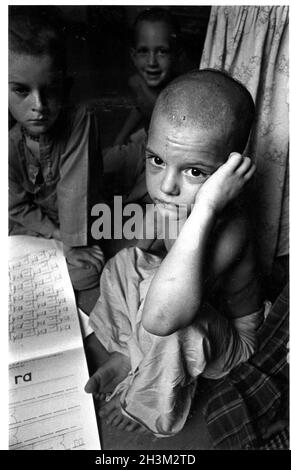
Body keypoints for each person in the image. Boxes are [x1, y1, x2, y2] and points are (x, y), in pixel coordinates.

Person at [85, 69, 266, 437]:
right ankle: (127, 354)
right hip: (175, 299)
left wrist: (206, 208)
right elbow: (134, 253)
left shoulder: (230, 229)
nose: (167, 186)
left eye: (195, 171)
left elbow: (163, 317)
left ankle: (144, 405)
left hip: (226, 335)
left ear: (229, 171)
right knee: (126, 265)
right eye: (156, 160)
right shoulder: (172, 201)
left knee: (172, 326)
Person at [9, 6, 105, 290]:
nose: (38, 106)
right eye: (21, 91)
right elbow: (15, 206)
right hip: (45, 224)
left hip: (82, 219)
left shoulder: (79, 119)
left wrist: (73, 243)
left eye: (49, 90)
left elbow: (77, 189)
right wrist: (55, 235)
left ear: (66, 87)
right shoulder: (10, 143)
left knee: (87, 274)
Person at [104, 8, 180, 204]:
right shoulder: (136, 82)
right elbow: (139, 108)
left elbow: (174, 129)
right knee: (104, 161)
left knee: (146, 194)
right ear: (133, 55)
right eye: (144, 52)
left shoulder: (178, 90)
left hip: (168, 156)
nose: (152, 62)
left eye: (162, 51)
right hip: (145, 141)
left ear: (176, 54)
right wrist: (119, 140)